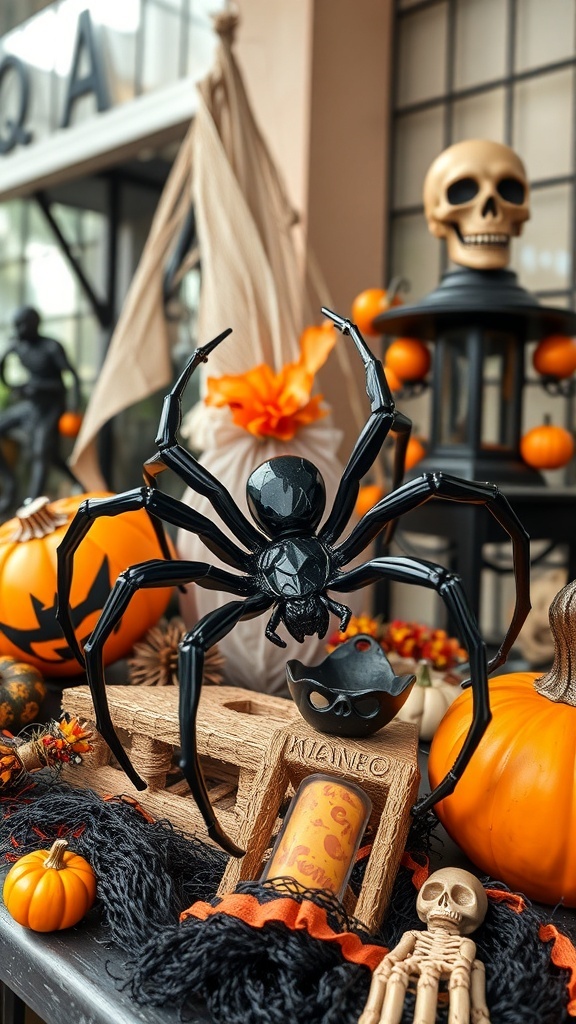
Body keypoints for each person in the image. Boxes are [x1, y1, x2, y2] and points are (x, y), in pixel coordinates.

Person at [0, 306, 82, 512]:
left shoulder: (51, 347)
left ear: (33, 324)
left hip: (52, 407)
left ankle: (31, 504)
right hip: (31, 406)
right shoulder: (19, 347)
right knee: (51, 456)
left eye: (21, 325)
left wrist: (73, 408)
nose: (18, 329)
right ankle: (10, 487)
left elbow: (70, 378)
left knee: (42, 453)